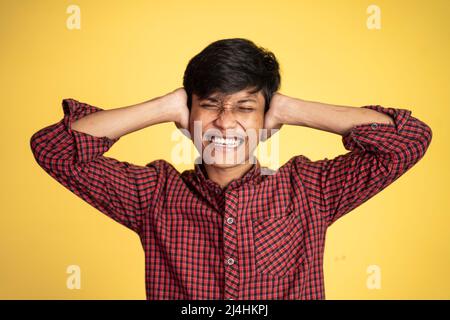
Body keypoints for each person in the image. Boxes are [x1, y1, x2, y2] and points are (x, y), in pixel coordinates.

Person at [30, 38, 432, 300]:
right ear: (188, 115)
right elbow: (53, 150)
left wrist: (292, 109)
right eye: (210, 105)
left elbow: (409, 140)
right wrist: (165, 106)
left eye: (244, 108)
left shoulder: (311, 190)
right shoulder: (151, 195)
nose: (224, 123)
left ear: (267, 118)